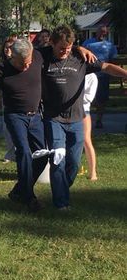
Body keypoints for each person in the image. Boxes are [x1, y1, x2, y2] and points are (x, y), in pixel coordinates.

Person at [41, 25, 127, 210]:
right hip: (53, 119)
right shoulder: (43, 56)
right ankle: (61, 203)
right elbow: (25, 52)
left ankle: (61, 189)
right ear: (52, 43)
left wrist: (125, 74)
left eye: (69, 47)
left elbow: (106, 67)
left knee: (73, 163)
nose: (64, 52)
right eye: (61, 48)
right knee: (58, 159)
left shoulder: (80, 58)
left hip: (77, 119)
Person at [0, 38, 47, 212]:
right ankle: (29, 197)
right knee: (24, 152)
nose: (26, 66)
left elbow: (60, 48)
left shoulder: (38, 56)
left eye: (29, 62)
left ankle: (18, 191)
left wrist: (81, 50)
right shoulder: (2, 70)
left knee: (42, 156)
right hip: (15, 116)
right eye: (22, 64)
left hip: (36, 116)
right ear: (12, 57)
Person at [82, 26, 118, 128]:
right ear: (97, 32)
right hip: (89, 75)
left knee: (101, 99)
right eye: (101, 32)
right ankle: (86, 119)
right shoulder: (88, 43)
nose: (103, 34)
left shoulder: (110, 45)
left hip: (103, 76)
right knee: (87, 97)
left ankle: (99, 119)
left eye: (105, 32)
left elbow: (113, 60)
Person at [82, 73, 99, 181]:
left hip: (83, 110)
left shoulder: (92, 76)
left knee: (86, 140)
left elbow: (89, 97)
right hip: (66, 110)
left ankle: (93, 172)